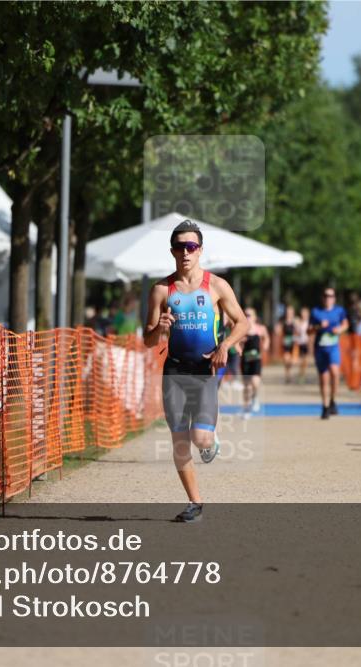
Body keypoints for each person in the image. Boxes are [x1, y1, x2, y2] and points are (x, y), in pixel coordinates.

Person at [143, 220, 249, 524]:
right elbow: (148, 339)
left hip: (205, 369)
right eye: (180, 247)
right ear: (172, 251)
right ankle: (195, 503)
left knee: (200, 439)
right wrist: (159, 329)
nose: (185, 252)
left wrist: (225, 345)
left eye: (191, 246)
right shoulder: (161, 290)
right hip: (175, 369)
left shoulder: (216, 285)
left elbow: (242, 322)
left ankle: (211, 441)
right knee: (179, 441)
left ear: (200, 250)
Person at [309, 287, 348, 418]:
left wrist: (340, 330)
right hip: (320, 348)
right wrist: (319, 326)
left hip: (333, 347)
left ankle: (333, 400)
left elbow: (345, 324)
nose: (328, 298)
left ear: (334, 298)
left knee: (335, 372)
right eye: (326, 296)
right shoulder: (316, 312)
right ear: (322, 298)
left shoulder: (339, 311)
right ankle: (325, 407)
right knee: (324, 378)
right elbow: (309, 331)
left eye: (331, 296)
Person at [240, 306, 270, 419]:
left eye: (249, 315)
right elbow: (236, 341)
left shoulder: (260, 328)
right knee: (247, 386)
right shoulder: (241, 328)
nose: (247, 317)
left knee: (255, 382)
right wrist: (240, 342)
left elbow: (266, 338)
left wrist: (266, 345)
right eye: (245, 315)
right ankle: (246, 409)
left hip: (256, 358)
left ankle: (255, 397)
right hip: (245, 359)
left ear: (254, 317)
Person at [280, 305, 298, 384]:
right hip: (285, 343)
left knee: (291, 362)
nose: (289, 313)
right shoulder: (283, 322)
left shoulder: (295, 321)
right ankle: (288, 375)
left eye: (290, 312)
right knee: (286, 360)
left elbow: (299, 331)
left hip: (293, 343)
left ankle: (289, 373)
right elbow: (279, 331)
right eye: (288, 312)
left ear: (293, 313)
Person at [294, 307, 311, 384]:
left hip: (307, 343)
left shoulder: (309, 322)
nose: (303, 315)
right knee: (301, 360)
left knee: (306, 360)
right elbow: (296, 333)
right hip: (300, 343)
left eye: (305, 313)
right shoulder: (299, 322)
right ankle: (301, 374)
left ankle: (303, 374)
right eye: (302, 313)